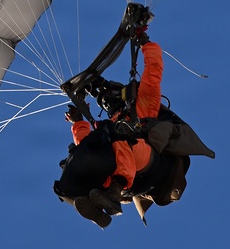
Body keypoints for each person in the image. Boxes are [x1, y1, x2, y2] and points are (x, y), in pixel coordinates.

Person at [54, 27, 215, 227]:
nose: (107, 104)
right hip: (130, 182)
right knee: (70, 174)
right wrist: (78, 121)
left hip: (151, 169)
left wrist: (145, 42)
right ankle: (97, 210)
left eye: (110, 99)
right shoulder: (110, 126)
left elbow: (153, 71)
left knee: (118, 138)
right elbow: (88, 146)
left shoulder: (144, 106)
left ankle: (112, 192)